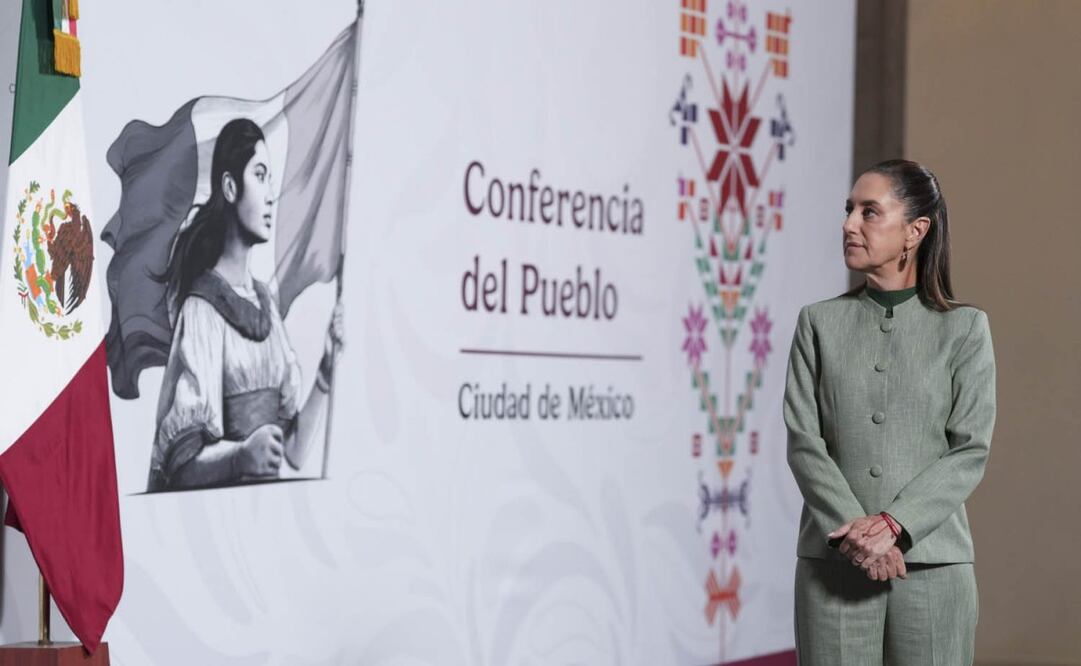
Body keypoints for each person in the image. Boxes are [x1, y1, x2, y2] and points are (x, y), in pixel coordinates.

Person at [785, 159, 995, 664]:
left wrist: (894, 526)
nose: (849, 224)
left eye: (869, 212)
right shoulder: (818, 323)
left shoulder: (965, 329)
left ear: (915, 231)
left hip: (932, 568)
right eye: (848, 210)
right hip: (833, 567)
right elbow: (803, 440)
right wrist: (857, 535)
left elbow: (969, 450)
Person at [147, 118, 344, 492]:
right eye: (260, 175)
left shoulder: (265, 306)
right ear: (230, 187)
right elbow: (181, 466)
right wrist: (239, 455)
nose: (271, 194)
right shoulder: (202, 311)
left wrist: (325, 371)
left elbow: (295, 452)